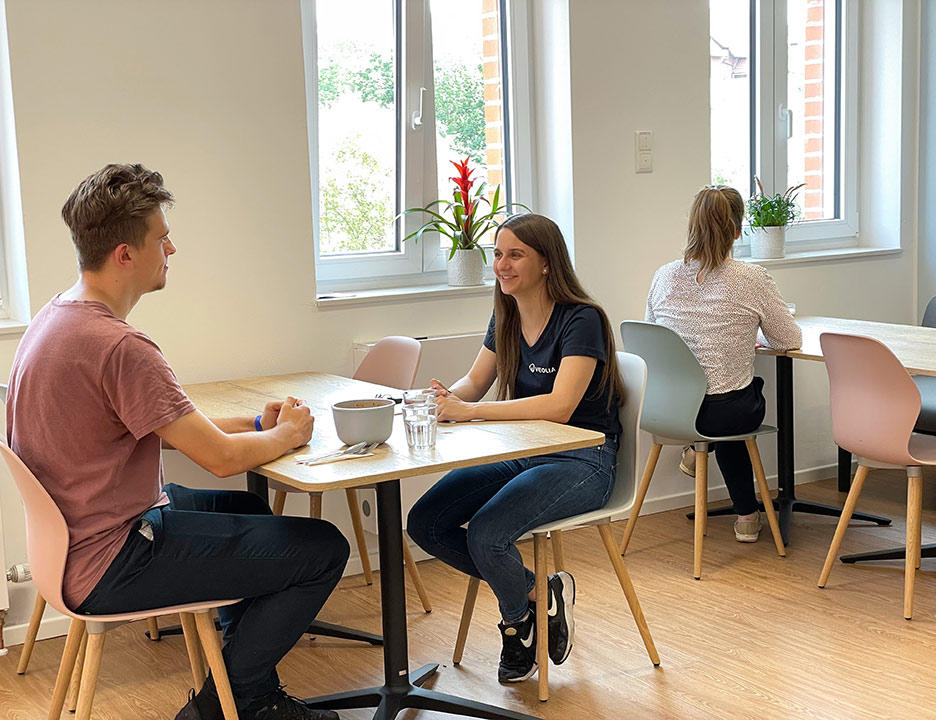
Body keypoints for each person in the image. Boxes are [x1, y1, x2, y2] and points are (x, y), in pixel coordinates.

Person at [5, 164, 349, 720]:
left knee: (248, 508)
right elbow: (218, 459)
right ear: (125, 254)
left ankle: (253, 694)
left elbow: (169, 429)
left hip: (73, 544)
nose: (172, 247)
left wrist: (260, 430)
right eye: (161, 237)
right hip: (114, 557)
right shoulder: (120, 347)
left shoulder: (54, 320)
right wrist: (288, 434)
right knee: (321, 548)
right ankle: (223, 706)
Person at [406, 213, 624, 683]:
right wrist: (444, 399)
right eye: (498, 254)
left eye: (516, 255)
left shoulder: (581, 319)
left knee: (486, 534)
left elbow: (562, 406)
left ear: (547, 263)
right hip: (523, 451)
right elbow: (474, 383)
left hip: (584, 459)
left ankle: (515, 628)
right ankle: (534, 594)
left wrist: (472, 412)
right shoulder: (505, 314)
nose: (502, 265)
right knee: (424, 522)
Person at [645, 185, 802, 543]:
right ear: (736, 230)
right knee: (740, 400)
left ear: (692, 227)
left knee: (723, 400)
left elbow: (653, 338)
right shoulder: (751, 278)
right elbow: (790, 340)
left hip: (667, 410)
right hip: (722, 413)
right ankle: (746, 518)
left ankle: (693, 451)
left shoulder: (663, 276)